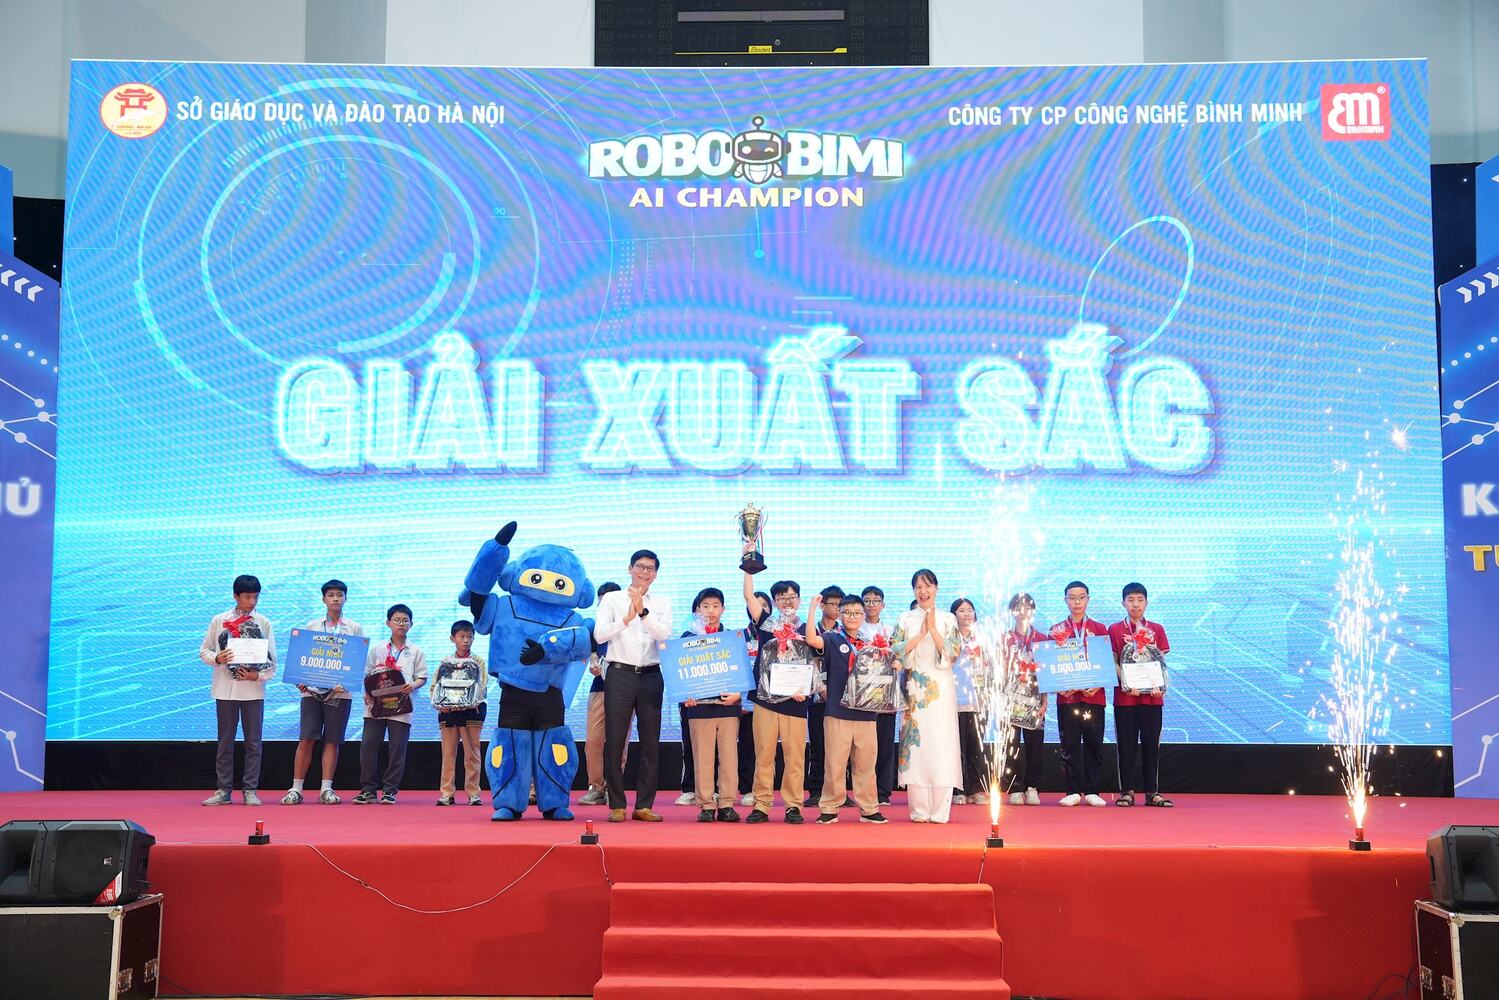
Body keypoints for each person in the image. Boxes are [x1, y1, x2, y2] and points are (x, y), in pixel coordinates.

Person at [595, 550, 673, 823]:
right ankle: (617, 803)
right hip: (620, 674)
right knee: (615, 740)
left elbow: (664, 635)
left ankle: (644, 805)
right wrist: (626, 618)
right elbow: (599, 635)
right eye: (640, 567)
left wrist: (642, 612)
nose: (645, 572)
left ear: (656, 574)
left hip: (651, 675)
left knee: (650, 741)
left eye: (650, 568)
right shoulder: (612, 599)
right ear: (630, 569)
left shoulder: (662, 602)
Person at [804, 594, 889, 824]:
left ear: (863, 616)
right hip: (837, 711)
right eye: (848, 613)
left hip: (866, 713)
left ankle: (869, 808)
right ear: (840, 615)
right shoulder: (832, 638)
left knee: (866, 764)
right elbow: (811, 639)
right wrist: (812, 608)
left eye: (857, 613)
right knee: (835, 762)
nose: (852, 617)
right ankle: (830, 807)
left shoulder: (871, 642)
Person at [283, 579, 363, 806]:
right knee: (306, 738)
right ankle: (296, 789)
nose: (335, 599)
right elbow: (302, 658)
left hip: (340, 693)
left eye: (339, 595)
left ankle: (326, 789)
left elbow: (356, 660)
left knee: (332, 740)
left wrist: (348, 682)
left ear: (346, 598)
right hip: (311, 691)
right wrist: (300, 681)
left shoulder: (354, 628)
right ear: (323, 599)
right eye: (331, 595)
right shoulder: (312, 626)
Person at [199, 574, 276, 806]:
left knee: (253, 742)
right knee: (225, 742)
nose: (252, 602)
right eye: (247, 597)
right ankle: (223, 790)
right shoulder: (219, 620)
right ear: (235, 596)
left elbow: (272, 661)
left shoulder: (263, 622)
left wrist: (257, 675)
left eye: (255, 597)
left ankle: (250, 790)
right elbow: (204, 651)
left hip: (253, 690)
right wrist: (217, 657)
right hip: (225, 690)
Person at [893, 569, 961, 823]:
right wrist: (920, 635)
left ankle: (940, 810)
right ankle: (919, 809)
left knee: (941, 744)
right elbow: (896, 651)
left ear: (936, 588)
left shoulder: (948, 619)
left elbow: (953, 653)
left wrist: (933, 630)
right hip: (914, 688)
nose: (923, 591)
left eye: (927, 586)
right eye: (918, 587)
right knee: (915, 746)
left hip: (941, 687)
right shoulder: (905, 618)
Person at [742, 572, 809, 824]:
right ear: (774, 602)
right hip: (766, 700)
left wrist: (806, 688)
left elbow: (815, 662)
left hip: (796, 700)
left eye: (792, 597)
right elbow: (749, 596)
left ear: (799, 600)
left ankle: (793, 806)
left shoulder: (806, 628)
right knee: (764, 754)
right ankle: (761, 804)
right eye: (781, 598)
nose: (787, 602)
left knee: (795, 757)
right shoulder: (766, 624)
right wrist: (748, 568)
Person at [353, 604, 427, 804]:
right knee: (368, 746)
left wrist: (412, 685)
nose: (401, 624)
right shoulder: (377, 649)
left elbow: (422, 677)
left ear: (411, 624)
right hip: (376, 706)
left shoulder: (416, 651)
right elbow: (366, 674)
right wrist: (367, 695)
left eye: (405, 621)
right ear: (388, 623)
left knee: (397, 749)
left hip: (402, 706)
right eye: (397, 620)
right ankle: (368, 790)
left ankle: (390, 790)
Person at [680, 588, 742, 822]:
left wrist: (738, 694)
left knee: (729, 757)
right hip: (699, 708)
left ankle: (726, 804)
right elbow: (679, 672)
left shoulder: (732, 638)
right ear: (697, 610)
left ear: (723, 609)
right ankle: (706, 804)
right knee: (702, 757)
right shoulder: (687, 638)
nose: (710, 611)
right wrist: (686, 694)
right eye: (705, 606)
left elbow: (741, 669)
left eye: (715, 606)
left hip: (728, 706)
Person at [1109, 583, 1173, 808]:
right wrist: (1127, 681)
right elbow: (1113, 661)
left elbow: (1160, 662)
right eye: (1131, 600)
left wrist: (1158, 684)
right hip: (1125, 698)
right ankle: (1126, 791)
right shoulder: (1115, 629)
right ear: (1123, 603)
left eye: (1140, 600)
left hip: (1152, 698)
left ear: (1146, 602)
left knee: (1151, 746)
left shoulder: (1157, 629)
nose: (1135, 605)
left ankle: (1152, 792)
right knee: (1126, 746)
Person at [1051, 581, 1110, 807]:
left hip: (1094, 696)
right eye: (1072, 597)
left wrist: (1098, 684)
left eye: (1081, 597)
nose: (1077, 602)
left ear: (1088, 599)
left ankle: (1093, 790)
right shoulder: (1056, 631)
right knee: (1070, 744)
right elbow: (1050, 665)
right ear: (1065, 600)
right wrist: (1059, 685)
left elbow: (1105, 662)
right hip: (1067, 698)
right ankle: (1073, 790)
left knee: (1094, 743)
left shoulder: (1100, 628)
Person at [433, 620, 487, 806]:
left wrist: (467, 702)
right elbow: (435, 686)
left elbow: (482, 686)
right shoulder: (445, 663)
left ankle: (474, 793)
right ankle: (446, 793)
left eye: (469, 637)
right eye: (461, 637)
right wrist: (441, 703)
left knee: (472, 754)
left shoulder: (478, 662)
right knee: (448, 754)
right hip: (448, 712)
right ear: (452, 638)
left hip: (472, 712)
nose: (466, 641)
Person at [1002, 593, 1048, 805]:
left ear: (1032, 611)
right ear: (1012, 611)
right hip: (1011, 699)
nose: (1023, 611)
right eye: (1018, 607)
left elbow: (1047, 674)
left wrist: (1045, 701)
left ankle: (1032, 787)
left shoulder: (1042, 639)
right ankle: (1014, 787)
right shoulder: (1005, 639)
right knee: (1011, 744)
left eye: (1027, 607)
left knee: (1035, 745)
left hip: (1035, 699)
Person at [579, 582, 623, 807]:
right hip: (599, 689)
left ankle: (613, 789)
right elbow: (587, 655)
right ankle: (596, 787)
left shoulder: (627, 626)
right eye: (601, 601)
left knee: (619, 742)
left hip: (624, 690)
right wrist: (593, 660)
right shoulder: (593, 629)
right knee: (594, 740)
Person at [802, 585, 843, 807]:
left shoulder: (844, 632)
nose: (837, 609)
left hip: (839, 697)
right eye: (833, 604)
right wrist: (820, 687)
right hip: (816, 696)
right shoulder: (811, 630)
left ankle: (838, 791)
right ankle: (816, 790)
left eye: (840, 605)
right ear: (822, 605)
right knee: (818, 744)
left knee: (839, 747)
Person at [949, 598, 991, 806]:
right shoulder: (949, 639)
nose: (966, 614)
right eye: (961, 610)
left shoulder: (983, 639)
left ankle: (977, 788)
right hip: (953, 700)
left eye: (970, 610)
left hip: (978, 701)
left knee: (976, 746)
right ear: (953, 615)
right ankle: (958, 789)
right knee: (957, 747)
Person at [859, 585, 896, 807]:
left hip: (886, 692)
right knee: (863, 746)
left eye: (876, 601)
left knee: (884, 743)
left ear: (883, 605)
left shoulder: (891, 630)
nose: (871, 605)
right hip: (863, 694)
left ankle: (882, 791)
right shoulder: (856, 630)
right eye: (867, 601)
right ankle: (864, 790)